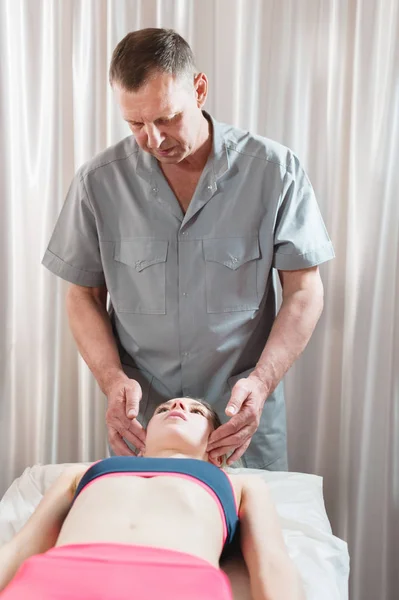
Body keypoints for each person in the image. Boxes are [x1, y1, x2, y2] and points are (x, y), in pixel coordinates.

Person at [42, 28, 335, 470]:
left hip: (242, 422)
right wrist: (112, 380)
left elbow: (304, 291)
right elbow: (82, 295)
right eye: (136, 124)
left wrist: (262, 383)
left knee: (252, 535)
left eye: (166, 118)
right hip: (146, 427)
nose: (154, 140)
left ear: (199, 89)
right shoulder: (97, 182)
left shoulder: (275, 172)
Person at [0, 398, 304, 600]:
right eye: (163, 409)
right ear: (142, 440)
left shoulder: (243, 485)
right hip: (57, 578)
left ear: (216, 451)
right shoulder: (81, 473)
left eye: (196, 412)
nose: (179, 405)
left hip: (179, 583)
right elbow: (22, 545)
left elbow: (272, 561)